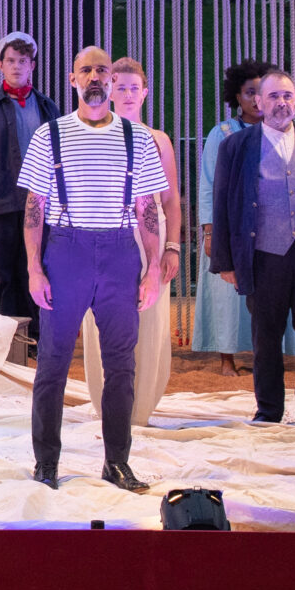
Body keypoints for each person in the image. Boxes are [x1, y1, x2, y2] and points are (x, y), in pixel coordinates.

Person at [20, 45, 170, 492]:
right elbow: (34, 206)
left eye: (102, 70)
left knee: (121, 365)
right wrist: (34, 268)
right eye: (85, 70)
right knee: (52, 363)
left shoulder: (137, 138)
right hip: (67, 251)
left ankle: (117, 463)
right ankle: (46, 462)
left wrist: (153, 268)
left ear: (112, 79)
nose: (95, 77)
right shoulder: (49, 135)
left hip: (120, 251)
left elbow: (147, 208)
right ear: (73, 79)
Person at [207, 67, 295, 427]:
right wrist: (226, 262)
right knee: (266, 337)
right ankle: (268, 409)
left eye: (287, 96)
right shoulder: (236, 146)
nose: (281, 103)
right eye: (273, 96)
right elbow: (222, 204)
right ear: (258, 103)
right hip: (264, 256)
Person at [96, 57, 180, 426]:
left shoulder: (158, 140)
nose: (128, 94)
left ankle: (141, 407)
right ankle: (107, 405)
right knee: (102, 319)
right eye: (121, 87)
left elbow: (171, 200)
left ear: (145, 93)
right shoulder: (92, 135)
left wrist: (172, 247)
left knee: (148, 318)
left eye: (134, 88)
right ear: (109, 91)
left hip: (150, 236)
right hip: (102, 236)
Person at [0, 32, 61, 351]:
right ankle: (4, 345)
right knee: (0, 277)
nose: (17, 66)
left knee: (35, 272)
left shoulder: (48, 108)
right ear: (0, 65)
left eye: (23, 60)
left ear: (32, 65)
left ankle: (38, 343)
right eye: (11, 61)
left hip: (41, 207)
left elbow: (60, 160)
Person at [193, 58, 277, 373]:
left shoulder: (282, 130)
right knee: (227, 293)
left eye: (261, 92)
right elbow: (208, 184)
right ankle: (226, 359)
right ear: (236, 97)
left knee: (269, 292)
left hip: (271, 227)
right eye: (249, 93)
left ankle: (265, 356)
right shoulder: (223, 133)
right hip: (230, 226)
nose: (256, 99)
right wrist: (210, 231)